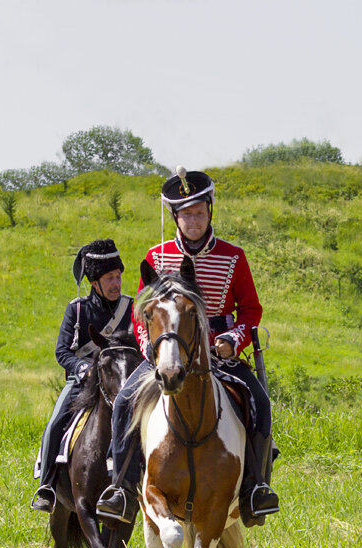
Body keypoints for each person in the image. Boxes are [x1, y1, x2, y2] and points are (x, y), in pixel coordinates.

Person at [95, 169, 279, 527]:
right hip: (167, 354)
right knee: (122, 403)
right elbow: (141, 313)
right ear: (175, 218)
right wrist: (149, 346)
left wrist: (232, 341)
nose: (193, 220)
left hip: (219, 356)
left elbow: (251, 310)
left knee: (259, 402)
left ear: (210, 212)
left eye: (199, 213)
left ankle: (256, 488)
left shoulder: (233, 257)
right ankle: (121, 487)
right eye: (185, 214)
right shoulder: (156, 256)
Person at [30, 239, 133, 511]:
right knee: (54, 423)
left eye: (118, 277)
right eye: (109, 278)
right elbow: (62, 351)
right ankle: (47, 485)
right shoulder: (77, 309)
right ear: (94, 282)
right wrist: (81, 368)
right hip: (84, 382)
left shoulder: (131, 308)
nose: (116, 283)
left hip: (123, 382)